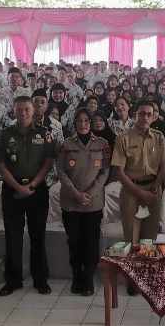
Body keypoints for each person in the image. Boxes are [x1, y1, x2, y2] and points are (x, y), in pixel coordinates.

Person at [0, 96, 57, 296]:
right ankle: (13, 280)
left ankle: (40, 280)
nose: (23, 113)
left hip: (38, 190)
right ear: (14, 111)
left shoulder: (45, 134)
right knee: (13, 237)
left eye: (27, 109)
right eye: (19, 110)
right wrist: (19, 188)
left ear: (33, 110)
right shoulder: (5, 135)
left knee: (38, 236)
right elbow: (0, 165)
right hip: (12, 190)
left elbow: (48, 162)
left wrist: (32, 186)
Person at [111, 99, 165, 295]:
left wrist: (152, 191)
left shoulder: (160, 137)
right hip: (131, 191)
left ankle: (147, 275)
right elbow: (119, 172)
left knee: (150, 236)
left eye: (149, 114)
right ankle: (133, 279)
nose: (145, 117)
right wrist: (140, 193)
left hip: (153, 190)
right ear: (135, 115)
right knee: (132, 237)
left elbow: (163, 168)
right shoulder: (123, 138)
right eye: (141, 113)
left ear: (154, 116)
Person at [57, 108, 111, 297]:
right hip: (71, 203)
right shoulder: (66, 145)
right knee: (74, 242)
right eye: (79, 120)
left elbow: (105, 172)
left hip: (93, 203)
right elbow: (61, 172)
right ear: (75, 123)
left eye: (86, 120)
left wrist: (89, 193)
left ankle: (88, 277)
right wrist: (76, 194)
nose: (83, 124)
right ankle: (76, 276)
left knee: (90, 242)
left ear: (91, 122)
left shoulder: (102, 145)